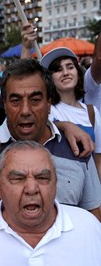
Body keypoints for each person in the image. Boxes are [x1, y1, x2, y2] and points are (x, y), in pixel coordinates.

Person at [0, 59, 101, 220]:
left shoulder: (77, 147)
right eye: (15, 100)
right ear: (4, 104)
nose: (25, 110)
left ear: (49, 104)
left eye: (35, 100)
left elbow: (93, 216)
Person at [0, 141, 101, 266]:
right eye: (18, 179)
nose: (32, 189)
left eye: (42, 177)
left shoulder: (89, 227)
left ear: (55, 184)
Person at [40, 47, 101, 177]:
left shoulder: (92, 112)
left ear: (78, 73)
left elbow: (98, 160)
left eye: (70, 67)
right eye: (58, 70)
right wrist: (65, 126)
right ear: (50, 79)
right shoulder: (47, 110)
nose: (66, 73)